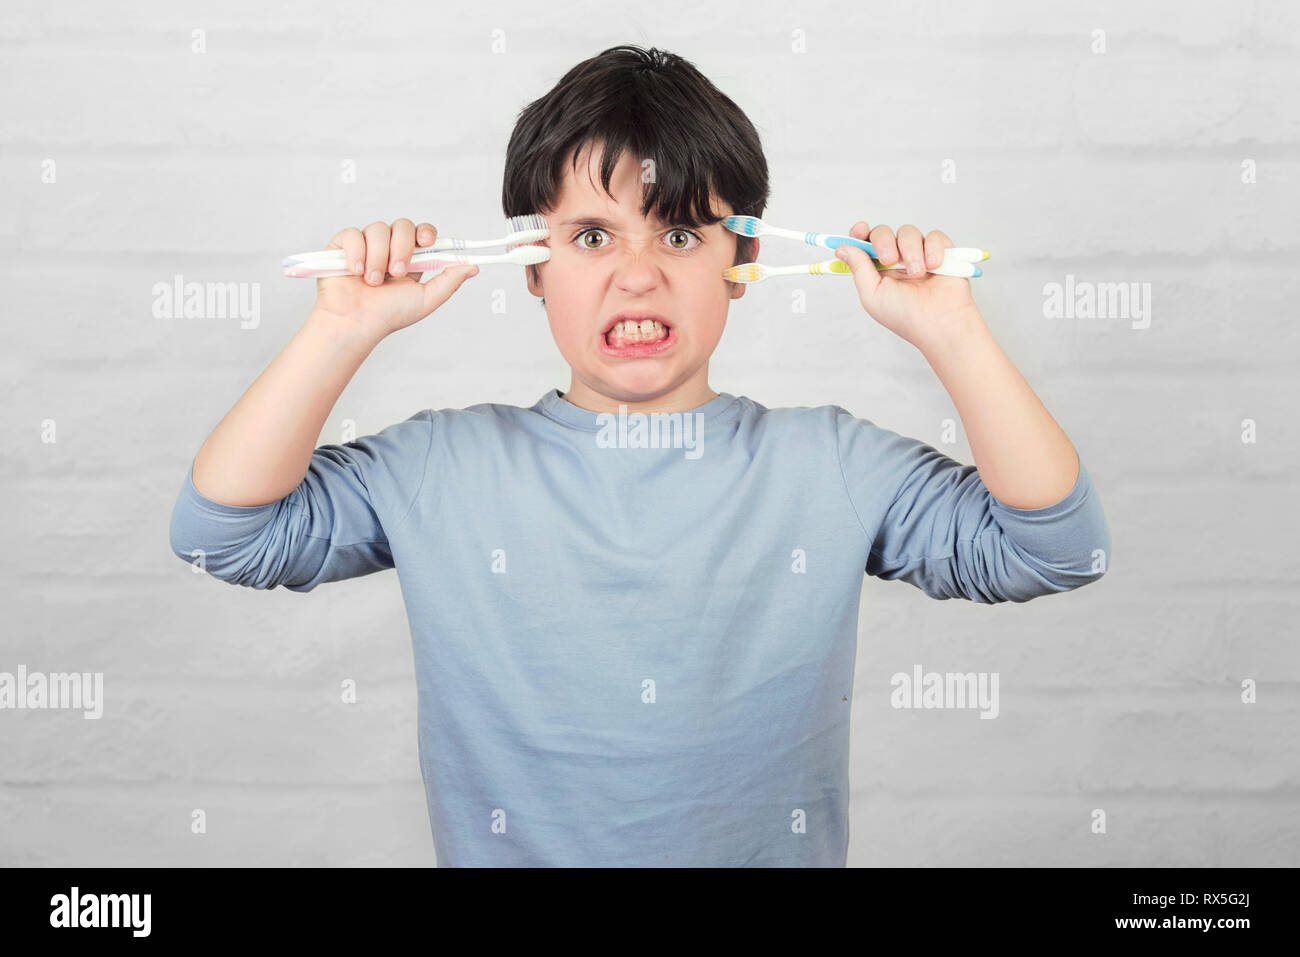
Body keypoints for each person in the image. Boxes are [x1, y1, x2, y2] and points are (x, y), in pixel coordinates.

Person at [169, 44, 1110, 866]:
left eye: (680, 232)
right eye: (590, 235)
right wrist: (341, 331)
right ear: (531, 265)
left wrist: (951, 333)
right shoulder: (440, 467)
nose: (637, 273)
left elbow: (1054, 546)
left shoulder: (827, 464)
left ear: (740, 262)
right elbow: (224, 532)